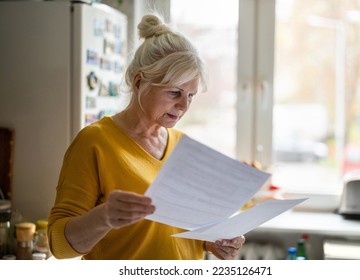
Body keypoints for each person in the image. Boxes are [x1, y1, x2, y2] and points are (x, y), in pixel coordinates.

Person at [47, 13, 245, 260]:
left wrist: (213, 241)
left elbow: (182, 229)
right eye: (175, 93)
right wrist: (104, 217)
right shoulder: (94, 142)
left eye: (191, 96)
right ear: (140, 81)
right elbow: (60, 246)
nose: (184, 105)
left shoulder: (183, 146)